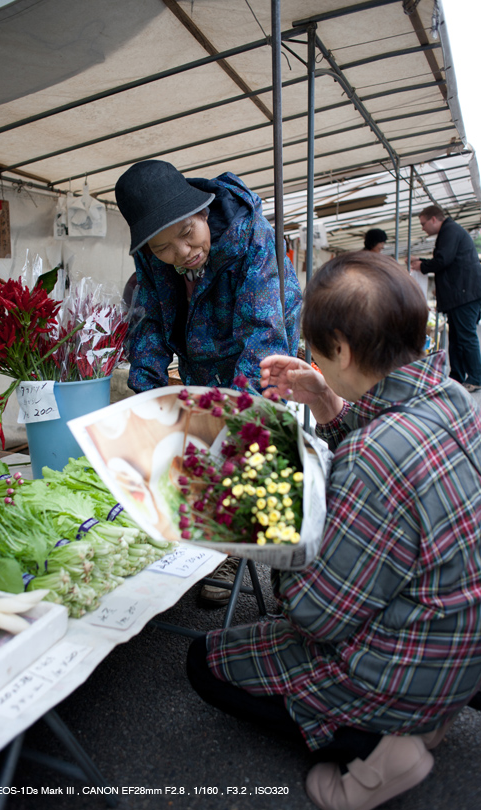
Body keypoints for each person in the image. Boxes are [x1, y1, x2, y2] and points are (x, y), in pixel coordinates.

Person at [186, 251, 481, 810]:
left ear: (340, 349)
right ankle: (426, 719)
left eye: (318, 353)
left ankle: (378, 748)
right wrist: (325, 399)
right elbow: (389, 437)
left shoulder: (374, 457)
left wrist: (264, 530)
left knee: (205, 662)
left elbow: (318, 614)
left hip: (405, 667)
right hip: (463, 650)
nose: (313, 360)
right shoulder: (456, 399)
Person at [115, 159, 302, 605]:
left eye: (187, 234)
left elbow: (262, 335)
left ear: (203, 211)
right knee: (195, 450)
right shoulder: (153, 254)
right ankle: (216, 545)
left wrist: (237, 420)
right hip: (201, 356)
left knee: (255, 451)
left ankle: (279, 573)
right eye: (164, 248)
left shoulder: (251, 236)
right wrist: (148, 402)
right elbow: (150, 324)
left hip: (259, 349)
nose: (181, 252)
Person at [410, 205, 481, 393]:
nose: (423, 228)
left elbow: (443, 260)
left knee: (466, 336)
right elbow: (446, 259)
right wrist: (424, 262)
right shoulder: (450, 231)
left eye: (424, 223)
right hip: (461, 295)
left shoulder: (450, 231)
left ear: (434, 219)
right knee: (457, 338)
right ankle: (456, 376)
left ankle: (476, 376)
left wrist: (423, 266)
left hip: (464, 295)